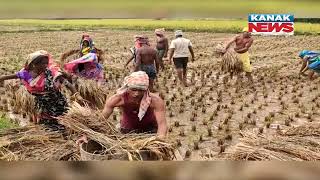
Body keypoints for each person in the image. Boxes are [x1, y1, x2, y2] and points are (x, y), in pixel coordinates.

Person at [77, 71, 167, 144]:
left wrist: (159, 140)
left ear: (146, 89)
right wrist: (87, 135)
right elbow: (101, 119)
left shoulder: (155, 100)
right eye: (133, 89)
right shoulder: (118, 99)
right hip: (127, 130)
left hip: (150, 129)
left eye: (141, 90)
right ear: (127, 87)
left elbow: (162, 124)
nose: (136, 94)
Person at [0, 50, 82, 130]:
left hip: (58, 102)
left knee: (64, 122)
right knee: (47, 126)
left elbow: (67, 84)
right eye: (43, 63)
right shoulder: (26, 74)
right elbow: (7, 77)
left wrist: (77, 95)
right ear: (34, 64)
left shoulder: (51, 72)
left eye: (47, 62)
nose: (46, 65)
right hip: (42, 105)